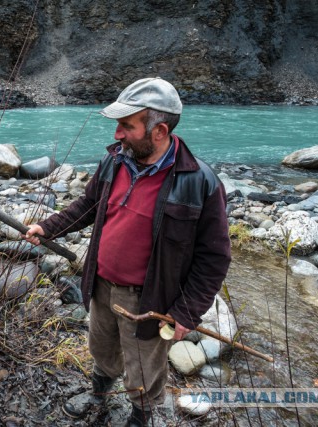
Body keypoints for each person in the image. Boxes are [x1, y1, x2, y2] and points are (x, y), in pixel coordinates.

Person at [24, 77, 232, 426]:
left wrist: (185, 313)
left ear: (159, 130)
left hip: (149, 304)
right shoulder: (114, 162)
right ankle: (99, 396)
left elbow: (214, 258)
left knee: (144, 372)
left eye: (127, 125)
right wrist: (48, 227)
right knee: (102, 351)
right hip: (101, 285)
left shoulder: (201, 183)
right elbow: (89, 205)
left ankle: (141, 416)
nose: (118, 134)